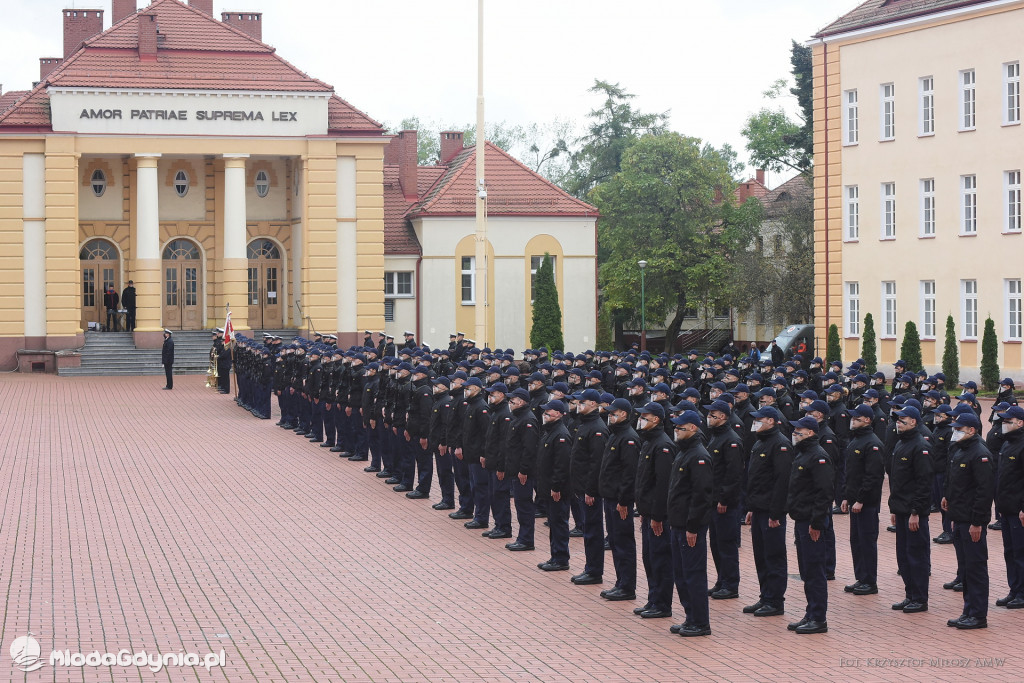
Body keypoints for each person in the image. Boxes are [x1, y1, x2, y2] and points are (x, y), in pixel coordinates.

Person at [943, 412, 995, 629]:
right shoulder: (960, 450)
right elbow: (957, 483)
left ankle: (978, 615)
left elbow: (984, 492)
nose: (955, 432)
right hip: (960, 518)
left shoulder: (980, 453)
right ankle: (968, 610)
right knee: (965, 568)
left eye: (959, 429)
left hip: (972, 521)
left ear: (972, 430)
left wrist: (977, 522)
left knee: (975, 568)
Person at [666, 410, 715, 637]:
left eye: (680, 428)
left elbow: (701, 495)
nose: (676, 431)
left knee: (693, 574)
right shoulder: (684, 452)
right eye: (675, 427)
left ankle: (700, 622)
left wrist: (693, 527)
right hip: (678, 523)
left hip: (689, 526)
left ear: (693, 428)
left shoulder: (698, 455)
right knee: (681, 573)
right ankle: (690, 617)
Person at [785, 416, 834, 634]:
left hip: (811, 523)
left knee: (814, 571)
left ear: (811, 433)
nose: (795, 434)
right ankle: (810, 612)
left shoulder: (818, 456)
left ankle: (818, 618)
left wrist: (816, 522)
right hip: (801, 519)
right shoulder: (803, 453)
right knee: (806, 570)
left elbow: (823, 494)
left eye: (799, 431)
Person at [743, 405, 792, 617]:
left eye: (759, 419)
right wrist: (752, 507)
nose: (755, 423)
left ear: (771, 421)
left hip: (772, 512)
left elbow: (782, 482)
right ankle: (765, 596)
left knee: (774, 556)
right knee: (761, 556)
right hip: (759, 508)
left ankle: (775, 600)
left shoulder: (780, 444)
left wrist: (775, 513)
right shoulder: (760, 442)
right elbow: (755, 478)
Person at [633, 402, 677, 619]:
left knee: (660, 559)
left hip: (658, 515)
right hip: (648, 512)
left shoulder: (663, 445)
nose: (641, 420)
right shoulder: (649, 442)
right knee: (650, 558)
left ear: (657, 419)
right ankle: (653, 599)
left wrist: (658, 515)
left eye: (646, 416)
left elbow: (663, 485)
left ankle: (662, 603)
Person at [888, 406, 933, 614]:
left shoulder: (920, 446)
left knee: (916, 556)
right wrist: (895, 508)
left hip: (914, 512)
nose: (898, 422)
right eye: (897, 419)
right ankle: (910, 594)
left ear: (914, 421)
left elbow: (924, 483)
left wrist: (916, 511)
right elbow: (898, 481)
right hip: (902, 509)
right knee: (904, 556)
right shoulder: (901, 443)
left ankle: (920, 598)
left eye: (903, 419)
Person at [598, 398, 640, 601]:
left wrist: (624, 501)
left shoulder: (628, 438)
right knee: (615, 541)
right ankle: (620, 582)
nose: (609, 415)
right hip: (610, 497)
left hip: (619, 500)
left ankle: (627, 586)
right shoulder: (616, 434)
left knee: (623, 542)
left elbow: (628, 473)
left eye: (613, 413)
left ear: (624, 414)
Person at [841, 404, 885, 595]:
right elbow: (849, 473)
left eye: (856, 418)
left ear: (867, 420)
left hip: (866, 504)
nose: (853, 421)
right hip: (854, 500)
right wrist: (846, 496)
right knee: (856, 541)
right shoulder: (856, 440)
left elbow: (873, 476)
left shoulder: (872, 443)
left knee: (867, 542)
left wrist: (860, 500)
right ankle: (861, 577)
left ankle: (870, 580)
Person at [536, 399, 573, 572]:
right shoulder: (550, 431)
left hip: (557, 489)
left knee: (559, 522)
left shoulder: (561, 435)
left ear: (558, 414)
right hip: (549, 486)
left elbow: (562, 464)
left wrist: (556, 487)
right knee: (554, 522)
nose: (545, 415)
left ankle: (561, 558)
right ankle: (555, 556)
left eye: (548, 412)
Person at [994, 405, 1024, 609]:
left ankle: (1022, 592)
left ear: (1020, 423)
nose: (1004, 424)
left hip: (1018, 510)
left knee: (1020, 553)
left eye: (1008, 421)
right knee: (1010, 552)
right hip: (1005, 507)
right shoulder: (1007, 444)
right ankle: (1014, 589)